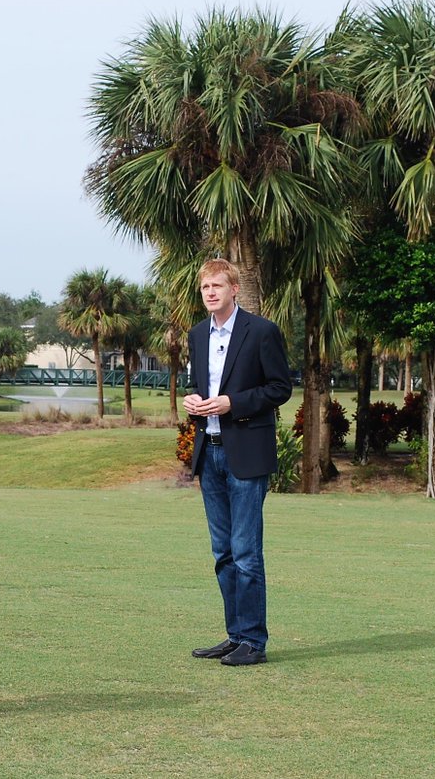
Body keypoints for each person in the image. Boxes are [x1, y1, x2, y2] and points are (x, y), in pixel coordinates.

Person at [182, 258, 291, 667]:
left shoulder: (261, 331)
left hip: (246, 453)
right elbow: (200, 384)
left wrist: (233, 403)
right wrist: (193, 400)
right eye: (205, 287)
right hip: (208, 452)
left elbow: (280, 387)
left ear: (234, 289)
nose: (210, 292)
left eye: (217, 286)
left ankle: (253, 641)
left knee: (246, 552)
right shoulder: (197, 335)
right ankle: (235, 636)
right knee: (223, 553)